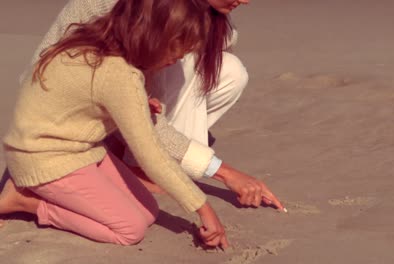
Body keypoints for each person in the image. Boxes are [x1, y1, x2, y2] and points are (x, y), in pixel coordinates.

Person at [0, 0, 267, 248]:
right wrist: (204, 208)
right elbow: (152, 155)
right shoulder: (119, 74)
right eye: (177, 50)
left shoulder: (111, 43)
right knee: (131, 229)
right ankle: (27, 202)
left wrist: (134, 102)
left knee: (149, 209)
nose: (177, 59)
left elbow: (89, 90)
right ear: (153, 37)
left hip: (82, 148)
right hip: (45, 158)